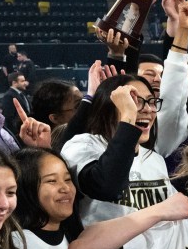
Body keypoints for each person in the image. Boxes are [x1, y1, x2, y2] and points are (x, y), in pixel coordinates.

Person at [61, 74, 173, 225]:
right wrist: (128, 116)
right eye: (135, 101)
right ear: (107, 107)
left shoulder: (155, 160)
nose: (147, 109)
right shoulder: (82, 146)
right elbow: (106, 187)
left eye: (151, 101)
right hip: (103, 248)